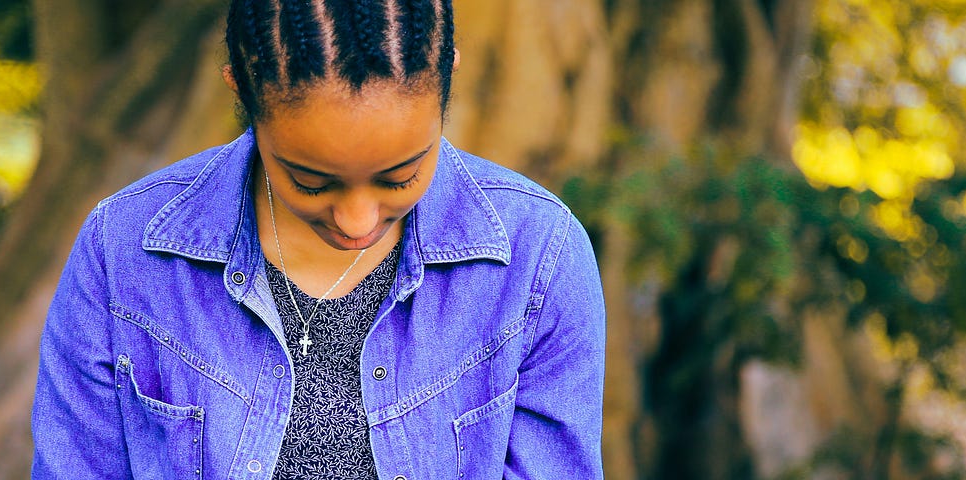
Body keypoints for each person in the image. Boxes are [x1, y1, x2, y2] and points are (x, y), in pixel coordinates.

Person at [30, 0, 606, 478]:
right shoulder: (125, 250)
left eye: (399, 176)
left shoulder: (538, 255)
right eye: (309, 181)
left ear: (449, 77)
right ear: (241, 85)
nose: (357, 222)